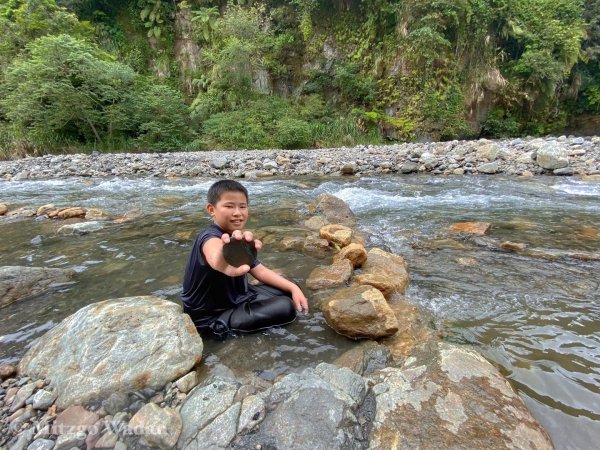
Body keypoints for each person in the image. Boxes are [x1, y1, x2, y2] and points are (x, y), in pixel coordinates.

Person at [181, 179, 309, 336]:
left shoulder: (238, 241)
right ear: (211, 209)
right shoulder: (209, 237)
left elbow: (260, 271)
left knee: (290, 286)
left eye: (242, 206)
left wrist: (293, 288)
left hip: (239, 297)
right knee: (286, 307)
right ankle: (220, 330)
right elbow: (215, 254)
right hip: (212, 316)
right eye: (229, 206)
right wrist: (222, 260)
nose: (237, 212)